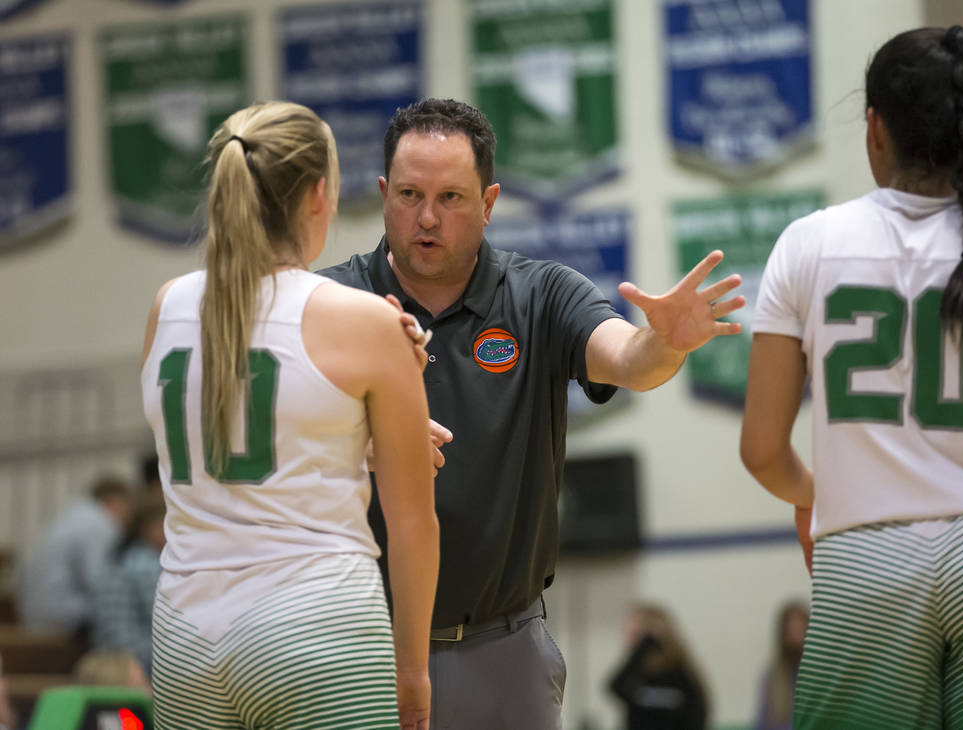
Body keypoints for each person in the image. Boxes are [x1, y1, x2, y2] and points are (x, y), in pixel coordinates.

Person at [319, 97, 745, 730]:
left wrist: (667, 343)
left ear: (489, 204)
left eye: (451, 198)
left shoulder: (542, 294)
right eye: (409, 194)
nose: (426, 218)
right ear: (383, 192)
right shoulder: (329, 300)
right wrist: (360, 441)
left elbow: (627, 358)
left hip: (506, 649)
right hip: (362, 648)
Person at [740, 25, 963, 730]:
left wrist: (825, 494)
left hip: (864, 556)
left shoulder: (807, 244)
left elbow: (761, 450)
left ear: (875, 128)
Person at [140, 101, 439, 730]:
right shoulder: (365, 318)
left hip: (183, 636)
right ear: (317, 195)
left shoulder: (167, 306)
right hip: (315, 620)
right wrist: (412, 669)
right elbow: (412, 520)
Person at [16, 475, 131, 636]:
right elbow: (100, 583)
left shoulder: (72, 514)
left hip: (33, 613)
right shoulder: (99, 522)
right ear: (115, 500)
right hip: (61, 617)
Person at [91, 491, 166, 674]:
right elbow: (166, 623)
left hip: (111, 662)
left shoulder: (123, 558)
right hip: (136, 663)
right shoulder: (145, 565)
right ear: (151, 527)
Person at [608, 603, 709, 730]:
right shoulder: (637, 672)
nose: (630, 636)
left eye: (638, 632)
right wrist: (640, 651)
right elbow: (614, 687)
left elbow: (698, 710)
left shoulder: (678, 670)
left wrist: (649, 641)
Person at [753, 600, 808, 730]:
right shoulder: (772, 678)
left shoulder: (823, 678)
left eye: (801, 631)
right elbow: (761, 723)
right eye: (791, 631)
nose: (796, 638)